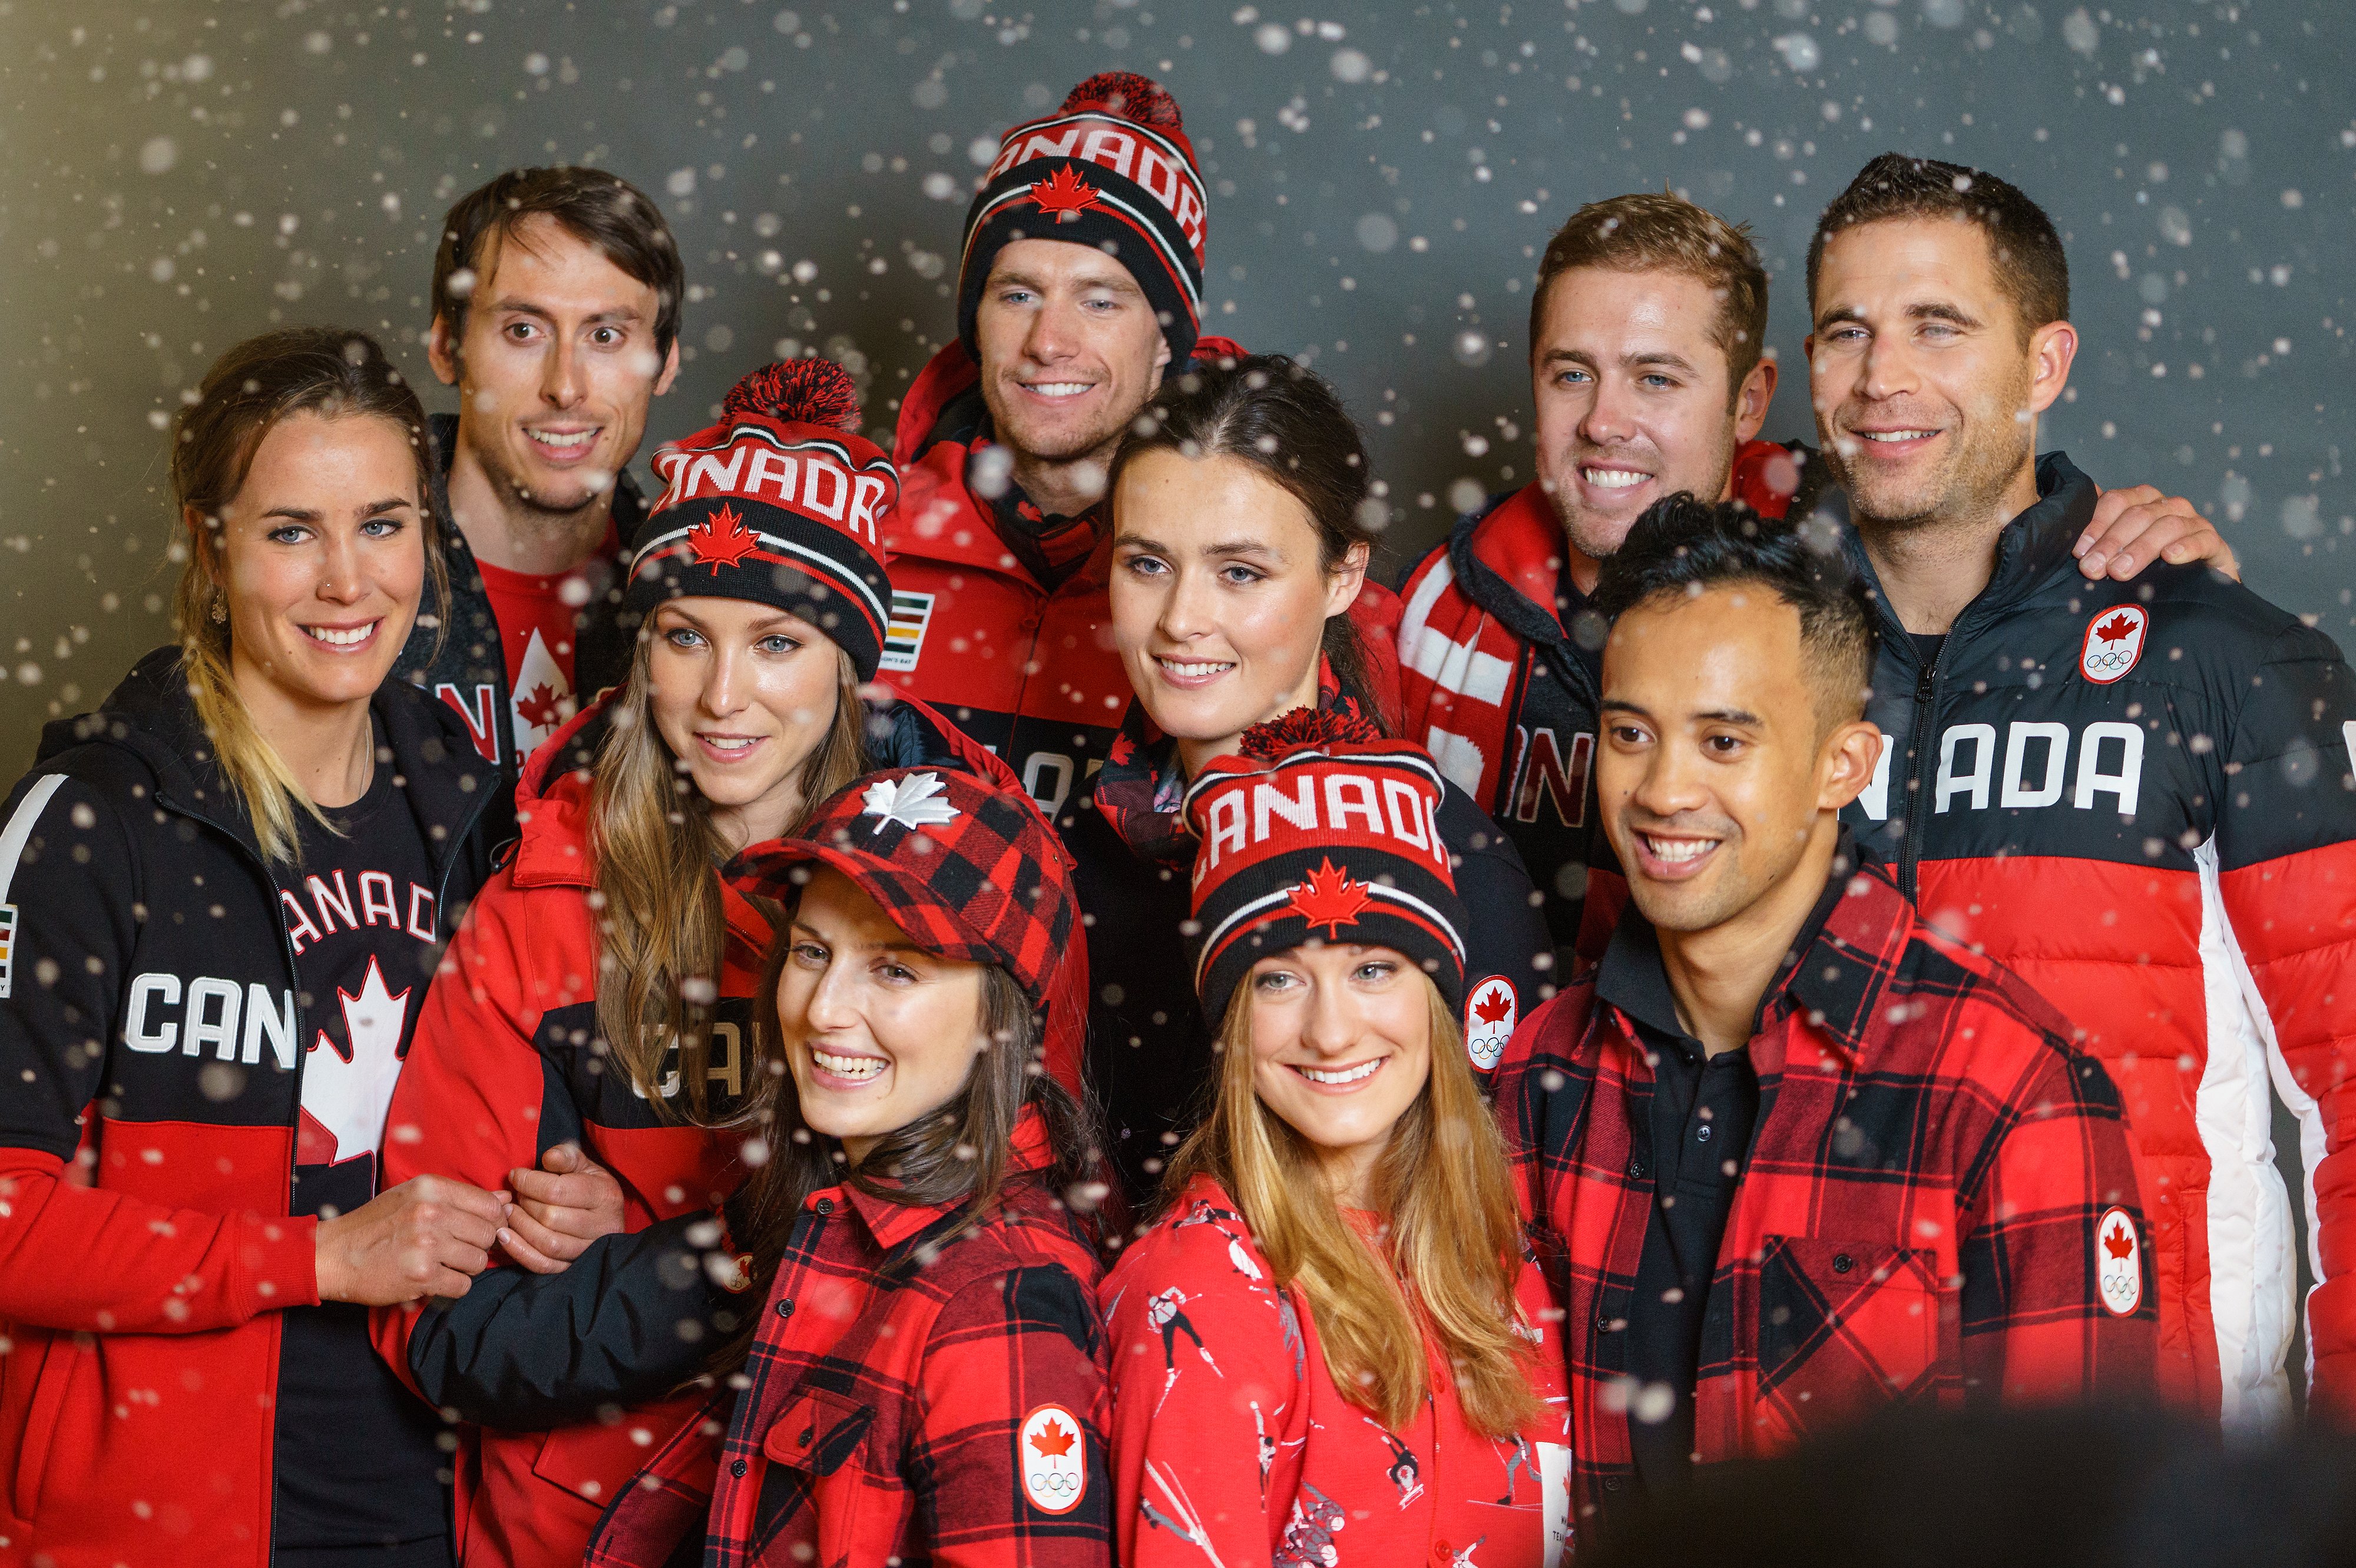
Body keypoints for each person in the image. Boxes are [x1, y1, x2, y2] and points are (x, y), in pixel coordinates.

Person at [369, 360, 1027, 1568]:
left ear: (849, 665)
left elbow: (1009, 1229)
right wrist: (727, 1257)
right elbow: (439, 1330)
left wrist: (647, 1242)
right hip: (572, 1528)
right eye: (683, 635)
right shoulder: (542, 906)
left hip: (851, 1518)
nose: (722, 695)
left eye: (776, 640)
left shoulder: (964, 892)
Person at [1799, 152, 2356, 1425]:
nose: (1881, 378)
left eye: (1936, 327)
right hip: (1836, 1446)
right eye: (1847, 331)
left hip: (2144, 1447)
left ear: (2042, 364)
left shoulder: (2225, 659)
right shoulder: (1762, 674)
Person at [1500, 497, 2155, 1521]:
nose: (1665, 789)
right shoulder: (1540, 1073)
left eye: (1724, 741)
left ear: (1840, 767)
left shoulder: (2005, 1085)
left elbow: (2074, 1525)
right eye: (1632, 733)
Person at [1395, 190, 2237, 967]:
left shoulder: (1841, 560)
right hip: (1497, 1100)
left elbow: (1992, 549)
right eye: (1571, 374)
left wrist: (2137, 567)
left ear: (1751, 398)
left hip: (1765, 1094)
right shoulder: (1438, 607)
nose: (1605, 422)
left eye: (1656, 378)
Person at [0, 328, 515, 1566]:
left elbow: (537, 1129)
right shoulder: (94, 821)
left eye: (383, 524)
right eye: (292, 530)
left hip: (435, 1511)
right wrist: (318, 1257)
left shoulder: (483, 817)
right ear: (211, 544)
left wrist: (580, 1195)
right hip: (155, 1521)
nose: (349, 580)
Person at [494, 763, 1104, 1566]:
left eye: (895, 969)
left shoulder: (1001, 1302)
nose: (821, 1009)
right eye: (813, 952)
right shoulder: (832, 1214)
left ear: (1007, 1013)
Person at [1082, 355, 1553, 1210]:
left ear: (1343, 578)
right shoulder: (1074, 849)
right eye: (1148, 564)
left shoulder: (1452, 865)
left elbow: (1483, 1218)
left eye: (1241, 573)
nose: (1183, 619)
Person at [1103, 712, 1571, 1567]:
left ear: (1436, 997)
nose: (1329, 1030)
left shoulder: (1513, 1259)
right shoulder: (1200, 1295)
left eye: (1372, 968)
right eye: (1280, 978)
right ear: (1232, 1018)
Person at [876, 71, 1401, 819]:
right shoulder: (861, 536)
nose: (1049, 343)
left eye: (1100, 300)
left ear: (1167, 338)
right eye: (1017, 294)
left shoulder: (1311, 598)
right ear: (976, 318)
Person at [391, 166, 684, 778]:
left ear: (665, 362)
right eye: (523, 331)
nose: (565, 387)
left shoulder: (697, 598)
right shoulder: (347, 584)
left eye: (606, 335)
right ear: (448, 348)